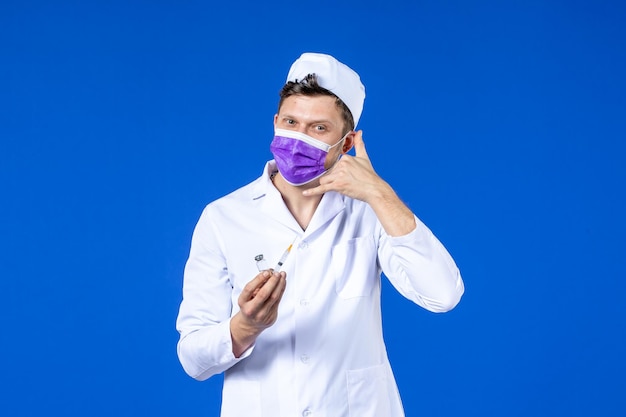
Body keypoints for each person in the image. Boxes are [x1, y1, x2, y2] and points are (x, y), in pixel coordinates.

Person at [176, 52, 464, 417]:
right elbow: (193, 359)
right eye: (291, 122)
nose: (298, 139)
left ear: (346, 144)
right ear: (275, 122)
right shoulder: (224, 217)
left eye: (318, 128)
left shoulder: (371, 213)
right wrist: (244, 327)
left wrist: (380, 194)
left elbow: (442, 294)